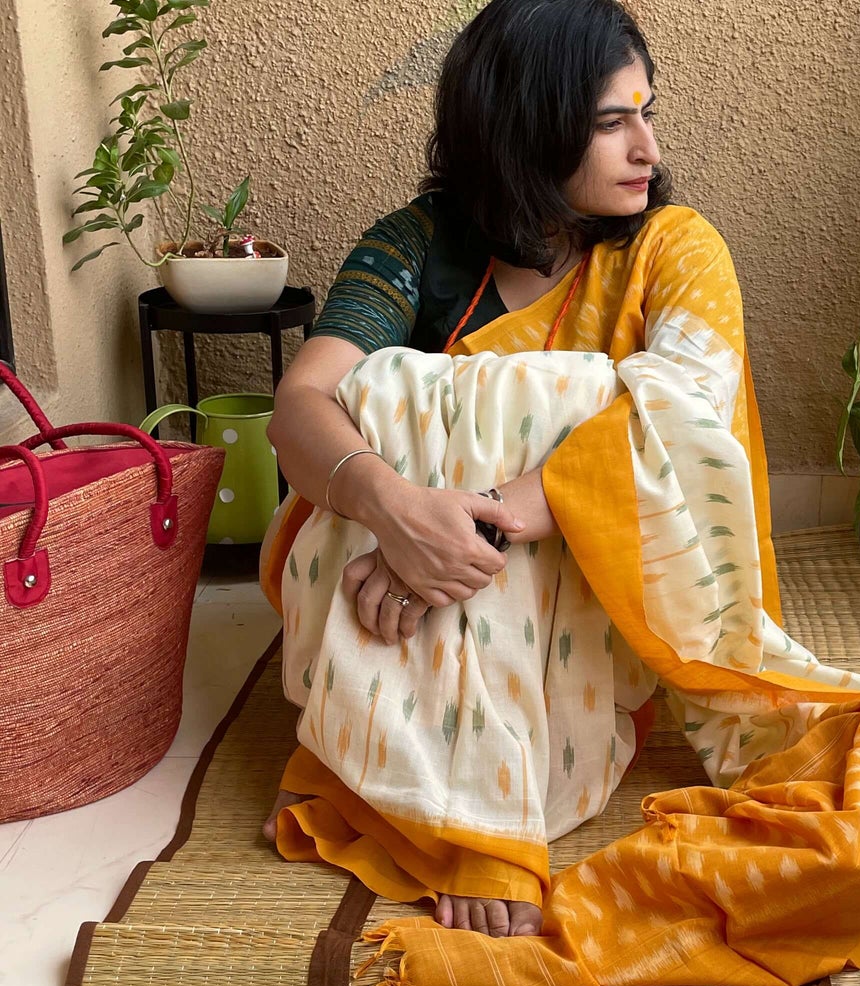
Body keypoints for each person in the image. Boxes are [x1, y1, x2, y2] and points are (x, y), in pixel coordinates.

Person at [261, 0, 781, 936]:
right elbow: (299, 407)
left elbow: (689, 421)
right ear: (525, 126)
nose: (648, 149)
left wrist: (462, 530)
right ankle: (453, 791)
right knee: (382, 395)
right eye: (611, 122)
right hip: (408, 547)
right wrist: (395, 510)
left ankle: (468, 809)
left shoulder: (674, 247)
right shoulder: (418, 245)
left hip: (571, 576)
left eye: (647, 115)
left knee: (598, 401)